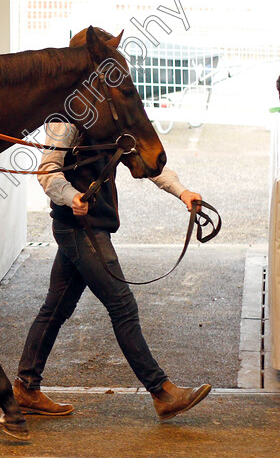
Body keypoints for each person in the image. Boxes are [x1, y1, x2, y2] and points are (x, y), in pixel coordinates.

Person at [14, 28, 212, 422]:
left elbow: (140, 156)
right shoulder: (64, 118)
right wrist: (72, 198)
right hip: (77, 227)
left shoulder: (104, 112)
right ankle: (161, 391)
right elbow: (48, 173)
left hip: (94, 226)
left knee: (56, 308)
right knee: (122, 304)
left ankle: (25, 386)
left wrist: (182, 192)